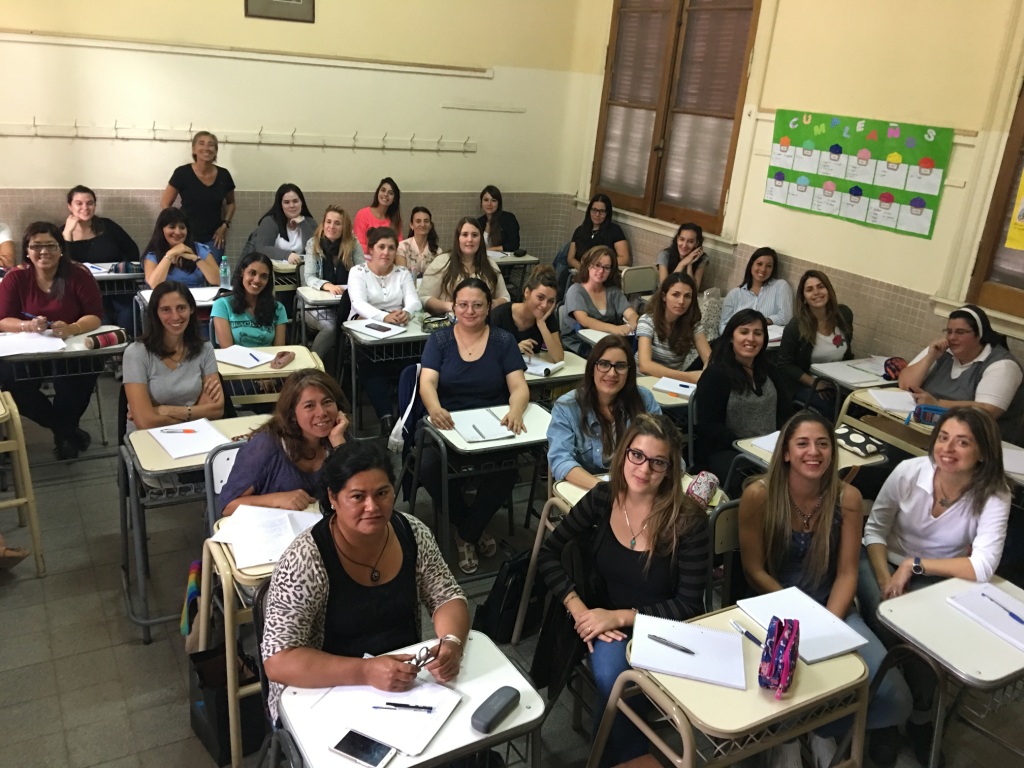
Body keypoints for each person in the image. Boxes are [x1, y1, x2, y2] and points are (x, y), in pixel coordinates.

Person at [739, 410, 913, 768]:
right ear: (785, 452)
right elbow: (754, 569)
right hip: (775, 610)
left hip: (833, 608)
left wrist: (826, 626)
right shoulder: (758, 495)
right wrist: (798, 618)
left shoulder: (846, 497)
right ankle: (786, 734)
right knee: (782, 685)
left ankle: (821, 728)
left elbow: (848, 572)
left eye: (823, 444)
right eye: (802, 443)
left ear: (833, 453)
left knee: (896, 697)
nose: (813, 452)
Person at [538, 413, 708, 768]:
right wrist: (580, 610)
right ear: (624, 454)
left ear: (670, 469)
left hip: (664, 626)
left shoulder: (687, 519)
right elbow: (549, 552)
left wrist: (622, 616)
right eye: (637, 456)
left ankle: (613, 760)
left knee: (620, 680)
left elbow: (689, 606)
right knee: (614, 674)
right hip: (605, 623)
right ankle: (629, 759)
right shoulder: (603, 498)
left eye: (658, 462)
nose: (644, 469)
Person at [261, 441, 469, 724]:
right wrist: (366, 671)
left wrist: (453, 643)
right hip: (323, 690)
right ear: (333, 498)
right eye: (357, 497)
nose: (373, 507)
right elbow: (279, 660)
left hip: (403, 686)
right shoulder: (306, 558)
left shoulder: (412, 532)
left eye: (382, 493)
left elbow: (446, 596)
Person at [858, 407, 1010, 766]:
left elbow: (983, 565)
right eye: (943, 437)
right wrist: (885, 578)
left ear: (983, 453)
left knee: (929, 639)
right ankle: (886, 719)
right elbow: (875, 532)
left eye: (963, 442)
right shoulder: (909, 472)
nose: (948, 449)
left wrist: (916, 565)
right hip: (884, 561)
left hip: (940, 572)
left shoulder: (994, 493)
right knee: (887, 617)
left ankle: (920, 716)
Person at [418, 278, 529, 574]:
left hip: (491, 424)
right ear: (453, 307)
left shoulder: (503, 341)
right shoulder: (439, 340)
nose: (470, 311)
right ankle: (473, 525)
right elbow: (427, 382)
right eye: (463, 305)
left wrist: (516, 410)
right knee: (428, 466)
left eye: (478, 305)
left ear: (489, 307)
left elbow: (519, 387)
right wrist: (435, 407)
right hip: (448, 421)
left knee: (507, 470)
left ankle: (467, 533)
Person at [0, 222, 103, 459]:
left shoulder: (78, 274)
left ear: (61, 249)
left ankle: (64, 434)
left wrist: (72, 328)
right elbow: (3, 319)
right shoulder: (15, 277)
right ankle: (66, 431)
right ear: (27, 250)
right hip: (29, 346)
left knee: (80, 374)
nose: (43, 252)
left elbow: (95, 315)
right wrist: (27, 325)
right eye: (36, 246)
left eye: (50, 246)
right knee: (12, 383)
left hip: (71, 343)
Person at [219, 370, 349, 516]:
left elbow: (356, 491)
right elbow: (227, 506)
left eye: (327, 402)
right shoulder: (266, 446)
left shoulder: (337, 435)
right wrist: (277, 499)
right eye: (309, 406)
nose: (322, 412)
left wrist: (339, 442)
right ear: (293, 414)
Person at [898, 304, 1024, 445]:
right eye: (949, 331)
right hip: (932, 433)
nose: (952, 338)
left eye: (960, 332)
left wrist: (938, 405)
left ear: (979, 335)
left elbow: (988, 411)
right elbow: (905, 385)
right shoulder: (941, 350)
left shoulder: (1003, 365)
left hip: (984, 446)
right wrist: (930, 357)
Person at [548, 336, 661, 491]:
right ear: (592, 368)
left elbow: (665, 448)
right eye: (604, 364)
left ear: (629, 371)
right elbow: (561, 461)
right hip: (589, 489)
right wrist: (606, 489)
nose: (612, 373)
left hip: (638, 485)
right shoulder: (567, 407)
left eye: (620, 366)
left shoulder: (643, 399)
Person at [695, 309, 789, 485]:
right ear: (731, 337)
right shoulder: (715, 375)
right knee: (759, 485)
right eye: (744, 332)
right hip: (728, 451)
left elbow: (786, 412)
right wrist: (746, 445)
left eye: (758, 333)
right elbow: (708, 426)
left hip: (770, 450)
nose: (751, 339)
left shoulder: (771, 371)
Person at [122, 281, 223, 433]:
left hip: (195, 434)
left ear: (191, 309)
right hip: (148, 439)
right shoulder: (136, 353)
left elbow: (217, 410)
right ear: (155, 313)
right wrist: (197, 411)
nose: (175, 316)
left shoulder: (205, 348)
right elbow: (145, 422)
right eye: (165, 310)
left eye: (181, 308)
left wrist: (166, 410)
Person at [347, 227, 421, 432]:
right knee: (370, 365)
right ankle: (386, 418)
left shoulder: (402, 272)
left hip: (399, 332)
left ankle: (407, 417)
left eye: (391, 248)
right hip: (365, 335)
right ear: (371, 249)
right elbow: (359, 303)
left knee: (414, 362)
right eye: (381, 247)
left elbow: (414, 301)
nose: (386, 253)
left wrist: (406, 312)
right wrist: (385, 316)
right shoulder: (358, 272)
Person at [61, 184, 140, 332]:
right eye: (79, 203)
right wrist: (67, 233)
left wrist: (119, 269)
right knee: (102, 322)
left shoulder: (107, 226)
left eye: (90, 203)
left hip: (119, 287)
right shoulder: (62, 232)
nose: (85, 207)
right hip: (86, 292)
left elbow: (132, 251)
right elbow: (62, 264)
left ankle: (129, 352)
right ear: (70, 207)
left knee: (129, 316)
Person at [777, 270, 854, 415]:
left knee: (857, 408)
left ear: (829, 290)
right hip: (806, 384)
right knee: (836, 411)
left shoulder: (844, 315)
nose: (816, 292)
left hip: (837, 384)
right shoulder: (796, 326)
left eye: (821, 287)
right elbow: (784, 365)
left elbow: (847, 355)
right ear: (804, 297)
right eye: (810, 289)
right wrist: (815, 384)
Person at [302, 205, 364, 365]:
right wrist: (326, 285)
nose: (332, 226)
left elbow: (363, 272)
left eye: (337, 223)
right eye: (328, 222)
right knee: (330, 327)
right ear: (323, 224)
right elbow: (309, 276)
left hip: (346, 304)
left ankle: (345, 369)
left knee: (359, 324)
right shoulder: (313, 243)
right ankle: (311, 365)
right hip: (313, 307)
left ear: (345, 227)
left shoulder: (353, 244)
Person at [161, 131, 235, 262]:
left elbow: (231, 203)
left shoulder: (224, 175)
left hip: (214, 238)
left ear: (216, 151)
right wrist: (175, 230)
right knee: (187, 274)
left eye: (211, 145)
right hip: (186, 236)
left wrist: (224, 226)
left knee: (213, 278)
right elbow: (165, 204)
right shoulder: (182, 173)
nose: (206, 148)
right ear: (194, 149)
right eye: (201, 143)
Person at [418, 217, 510, 316]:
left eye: (474, 235)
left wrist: (493, 304)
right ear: (458, 238)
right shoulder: (442, 262)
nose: (470, 239)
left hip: (483, 323)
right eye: (465, 235)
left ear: (480, 239)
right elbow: (424, 298)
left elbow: (505, 298)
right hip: (449, 322)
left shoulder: (490, 264)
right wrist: (452, 306)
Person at [560, 245, 638, 357]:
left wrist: (632, 324)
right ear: (588, 265)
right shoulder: (576, 290)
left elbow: (631, 314)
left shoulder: (613, 291)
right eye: (597, 265)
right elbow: (583, 320)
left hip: (608, 343)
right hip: (580, 344)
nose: (601, 271)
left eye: (606, 268)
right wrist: (615, 329)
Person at [636, 272, 710, 384]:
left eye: (687, 296)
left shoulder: (693, 325)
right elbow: (645, 366)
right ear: (664, 296)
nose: (681, 302)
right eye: (676, 295)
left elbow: (710, 360)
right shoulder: (647, 321)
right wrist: (688, 377)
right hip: (642, 380)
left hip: (671, 384)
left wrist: (707, 372)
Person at [211, 252, 288, 348]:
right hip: (236, 361)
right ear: (242, 272)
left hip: (269, 361)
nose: (257, 280)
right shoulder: (222, 305)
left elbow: (279, 351)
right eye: (252, 273)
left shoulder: (278, 308)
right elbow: (228, 350)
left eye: (263, 276)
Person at [488, 264, 563, 362]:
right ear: (527, 292)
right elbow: (485, 354)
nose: (545, 305)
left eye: (551, 301)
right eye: (540, 297)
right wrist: (513, 349)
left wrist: (541, 325)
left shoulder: (547, 318)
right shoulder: (500, 315)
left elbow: (559, 358)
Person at [719, 246, 792, 333]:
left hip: (768, 343)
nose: (763, 269)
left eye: (769, 266)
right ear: (751, 264)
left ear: (773, 269)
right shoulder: (734, 294)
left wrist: (759, 322)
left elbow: (786, 317)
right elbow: (723, 325)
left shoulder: (780, 286)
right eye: (759, 264)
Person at [142, 208, 219, 289]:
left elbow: (218, 280)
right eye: (172, 227)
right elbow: (154, 285)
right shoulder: (152, 255)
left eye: (182, 227)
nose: (178, 232)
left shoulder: (200, 249)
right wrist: (170, 255)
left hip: (196, 299)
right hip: (166, 298)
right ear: (161, 230)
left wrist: (195, 258)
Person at [249, 184, 316, 264]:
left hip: (301, 272)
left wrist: (302, 224)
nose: (292, 205)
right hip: (275, 272)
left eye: (295, 201)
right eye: (286, 202)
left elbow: (316, 249)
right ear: (280, 205)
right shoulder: (270, 221)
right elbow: (262, 248)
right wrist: (287, 255)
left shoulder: (309, 222)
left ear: (302, 202)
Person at [566, 193, 630, 270]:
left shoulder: (615, 230)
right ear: (589, 211)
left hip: (601, 272)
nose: (597, 214)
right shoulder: (580, 230)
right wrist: (582, 268)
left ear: (607, 213)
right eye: (594, 210)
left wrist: (598, 263)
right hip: (580, 271)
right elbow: (570, 259)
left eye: (602, 211)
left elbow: (625, 259)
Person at [353, 177, 402, 252]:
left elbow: (399, 248)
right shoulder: (362, 214)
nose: (385, 194)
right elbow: (358, 245)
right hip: (365, 260)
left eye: (390, 193)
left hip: (388, 260)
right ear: (377, 192)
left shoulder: (395, 220)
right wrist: (379, 252)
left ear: (394, 199)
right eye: (383, 190)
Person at [655, 223, 708, 290]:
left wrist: (689, 265)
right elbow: (665, 288)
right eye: (682, 239)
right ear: (677, 239)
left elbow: (694, 290)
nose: (684, 245)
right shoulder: (664, 255)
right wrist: (682, 264)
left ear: (696, 243)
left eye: (690, 241)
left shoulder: (702, 259)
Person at [395, 205, 440, 278]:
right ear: (411, 225)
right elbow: (401, 277)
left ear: (430, 226)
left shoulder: (437, 252)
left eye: (426, 221)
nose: (422, 224)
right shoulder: (402, 247)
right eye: (418, 221)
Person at [477, 185, 520, 252]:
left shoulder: (508, 219)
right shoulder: (479, 222)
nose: (489, 204)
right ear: (481, 203)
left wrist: (489, 250)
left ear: (499, 204)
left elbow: (514, 245)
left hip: (504, 260)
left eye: (493, 200)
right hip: (484, 260)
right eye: (486, 200)